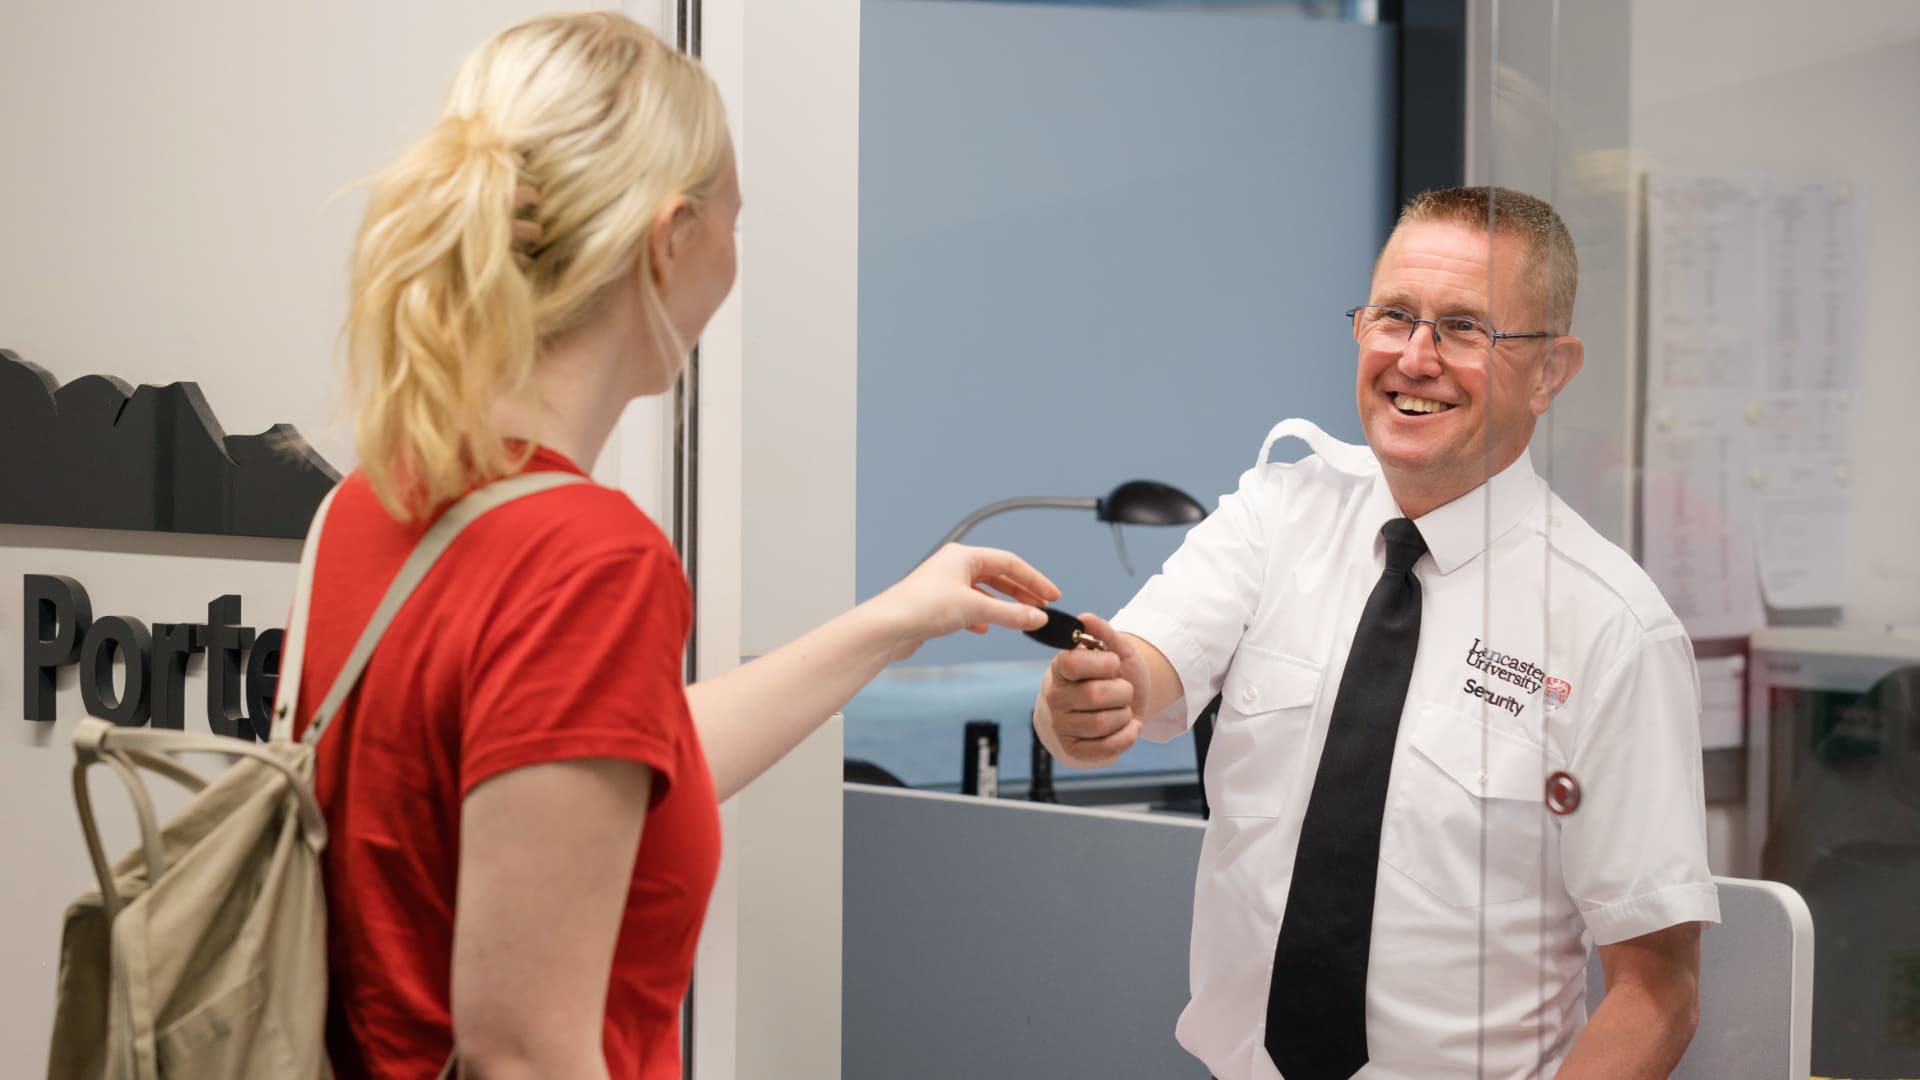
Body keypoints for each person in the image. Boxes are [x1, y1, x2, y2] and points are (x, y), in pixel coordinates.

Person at [296, 13, 1059, 1079]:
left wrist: (898, 618)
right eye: (735, 219)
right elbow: (522, 1052)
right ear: (671, 237)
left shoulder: (371, 508)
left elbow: (592, 767)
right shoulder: (587, 558)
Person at [1037, 186, 1720, 1079]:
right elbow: (1138, 677)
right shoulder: (1276, 515)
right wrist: (1085, 704)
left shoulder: (1609, 628)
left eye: (1465, 328)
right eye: (1393, 316)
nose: (1415, 357)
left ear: (1550, 370)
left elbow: (1657, 993)